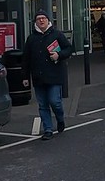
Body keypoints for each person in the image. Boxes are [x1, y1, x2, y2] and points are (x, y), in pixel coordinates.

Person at [21, 9, 73, 141]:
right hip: (38, 77)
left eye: (44, 18)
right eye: (38, 19)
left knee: (55, 102)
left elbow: (69, 48)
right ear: (35, 22)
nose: (41, 20)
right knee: (43, 105)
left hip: (54, 76)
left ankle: (60, 119)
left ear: (48, 20)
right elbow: (26, 59)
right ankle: (48, 129)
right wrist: (25, 77)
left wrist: (59, 55)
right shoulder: (31, 38)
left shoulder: (56, 35)